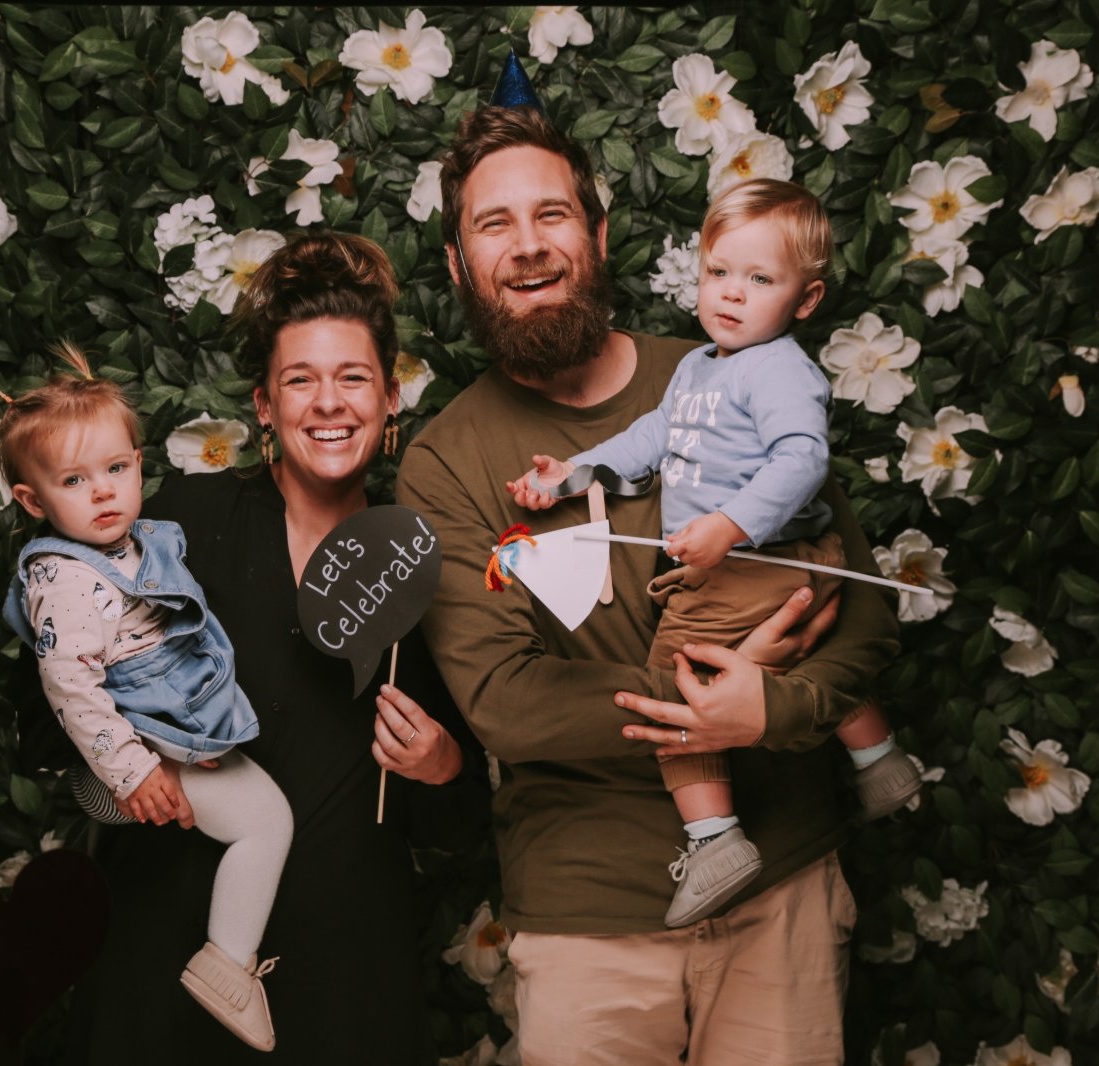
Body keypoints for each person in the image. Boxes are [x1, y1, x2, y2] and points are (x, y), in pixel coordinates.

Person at [395, 104, 901, 1064]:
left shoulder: (732, 372)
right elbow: (507, 703)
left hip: (781, 891)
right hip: (587, 925)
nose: (528, 245)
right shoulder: (444, 462)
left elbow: (861, 608)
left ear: (599, 234)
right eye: (494, 224)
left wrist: (773, 707)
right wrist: (710, 700)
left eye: (552, 214)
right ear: (459, 266)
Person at [57, 233, 484, 1065]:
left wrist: (442, 766)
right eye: (300, 380)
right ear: (263, 405)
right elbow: (58, 702)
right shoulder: (184, 525)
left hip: (346, 983)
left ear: (391, 398)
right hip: (170, 963)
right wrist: (128, 759)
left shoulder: (418, 565)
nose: (329, 404)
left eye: (352, 378)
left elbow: (459, 825)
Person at [507, 178, 920, 928]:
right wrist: (573, 472)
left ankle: (715, 838)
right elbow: (648, 440)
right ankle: (879, 760)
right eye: (719, 271)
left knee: (677, 692)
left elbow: (802, 460)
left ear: (805, 300)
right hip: (768, 564)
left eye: (760, 280)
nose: (731, 293)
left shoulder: (779, 369)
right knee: (797, 654)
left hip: (753, 563)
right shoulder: (698, 367)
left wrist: (729, 525)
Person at [0, 342, 290, 1051]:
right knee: (267, 823)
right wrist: (133, 771)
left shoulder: (138, 543)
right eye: (74, 479)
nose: (103, 491)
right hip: (144, 745)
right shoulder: (65, 577)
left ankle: (225, 959)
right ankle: (228, 965)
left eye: (116, 469)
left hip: (172, 725)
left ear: (139, 464)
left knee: (263, 818)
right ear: (32, 500)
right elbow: (71, 687)